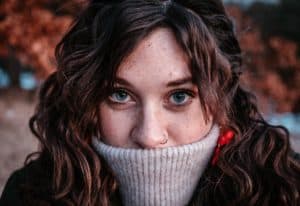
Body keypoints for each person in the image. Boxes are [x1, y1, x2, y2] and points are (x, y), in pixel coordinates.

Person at [1, 0, 300, 205]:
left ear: (221, 95)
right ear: (89, 98)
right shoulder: (33, 195)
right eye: (120, 95)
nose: (149, 135)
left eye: (179, 96)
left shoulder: (285, 190)